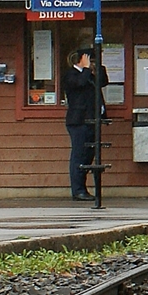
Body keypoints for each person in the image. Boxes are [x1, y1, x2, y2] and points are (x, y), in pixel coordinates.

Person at [62, 47, 108, 201]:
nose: (93, 64)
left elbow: (103, 82)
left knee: (89, 155)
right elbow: (80, 83)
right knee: (79, 155)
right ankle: (78, 190)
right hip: (78, 121)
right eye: (91, 60)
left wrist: (99, 66)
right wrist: (86, 68)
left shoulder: (90, 75)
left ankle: (84, 187)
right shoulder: (71, 75)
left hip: (92, 120)